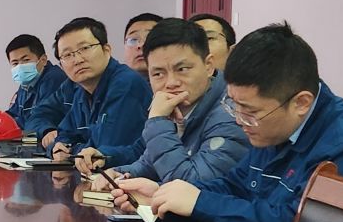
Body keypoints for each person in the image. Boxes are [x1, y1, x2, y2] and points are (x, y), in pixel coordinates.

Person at [131, 22, 343, 222]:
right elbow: (237, 184)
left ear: (301, 103)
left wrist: (200, 202)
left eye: (249, 111)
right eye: (233, 105)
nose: (239, 120)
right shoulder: (274, 126)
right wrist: (169, 195)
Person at [77, 18, 247, 186]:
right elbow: (150, 163)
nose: (171, 83)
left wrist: (157, 122)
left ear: (208, 66)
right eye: (158, 74)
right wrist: (121, 173)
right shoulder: (177, 106)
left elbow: (191, 186)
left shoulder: (232, 114)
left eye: (182, 69)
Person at [47, 17, 152, 161]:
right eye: (67, 55)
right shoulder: (82, 91)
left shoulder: (125, 84)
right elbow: (65, 135)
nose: (77, 60)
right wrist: (58, 147)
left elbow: (104, 149)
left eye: (85, 48)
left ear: (106, 50)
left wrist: (71, 150)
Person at [3, 34, 73, 136]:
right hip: (34, 136)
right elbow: (14, 114)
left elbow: (40, 117)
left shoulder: (54, 79)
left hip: (52, 137)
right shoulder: (26, 84)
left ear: (43, 60)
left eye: (26, 60)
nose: (20, 67)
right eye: (15, 63)